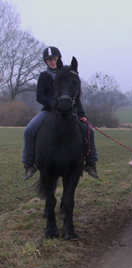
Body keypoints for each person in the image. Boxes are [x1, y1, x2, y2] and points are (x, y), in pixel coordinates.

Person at [22, 46, 99, 180]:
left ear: (59, 60)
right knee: (28, 130)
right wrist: (53, 104)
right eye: (49, 60)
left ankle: (90, 163)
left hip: (69, 111)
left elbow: (76, 96)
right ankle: (29, 164)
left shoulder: (67, 74)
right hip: (49, 111)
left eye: (54, 59)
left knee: (89, 130)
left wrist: (81, 114)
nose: (52, 62)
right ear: (46, 62)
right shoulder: (44, 76)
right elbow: (39, 97)